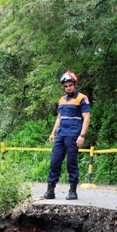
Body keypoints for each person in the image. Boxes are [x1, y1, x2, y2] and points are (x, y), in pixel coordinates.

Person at [42, 71, 91, 200]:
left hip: (73, 134)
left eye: (70, 85)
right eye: (65, 86)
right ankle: (50, 190)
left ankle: (73, 191)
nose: (68, 87)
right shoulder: (62, 100)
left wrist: (82, 135)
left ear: (75, 84)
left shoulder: (82, 98)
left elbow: (86, 118)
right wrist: (53, 132)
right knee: (55, 161)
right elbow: (59, 117)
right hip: (61, 134)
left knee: (71, 162)